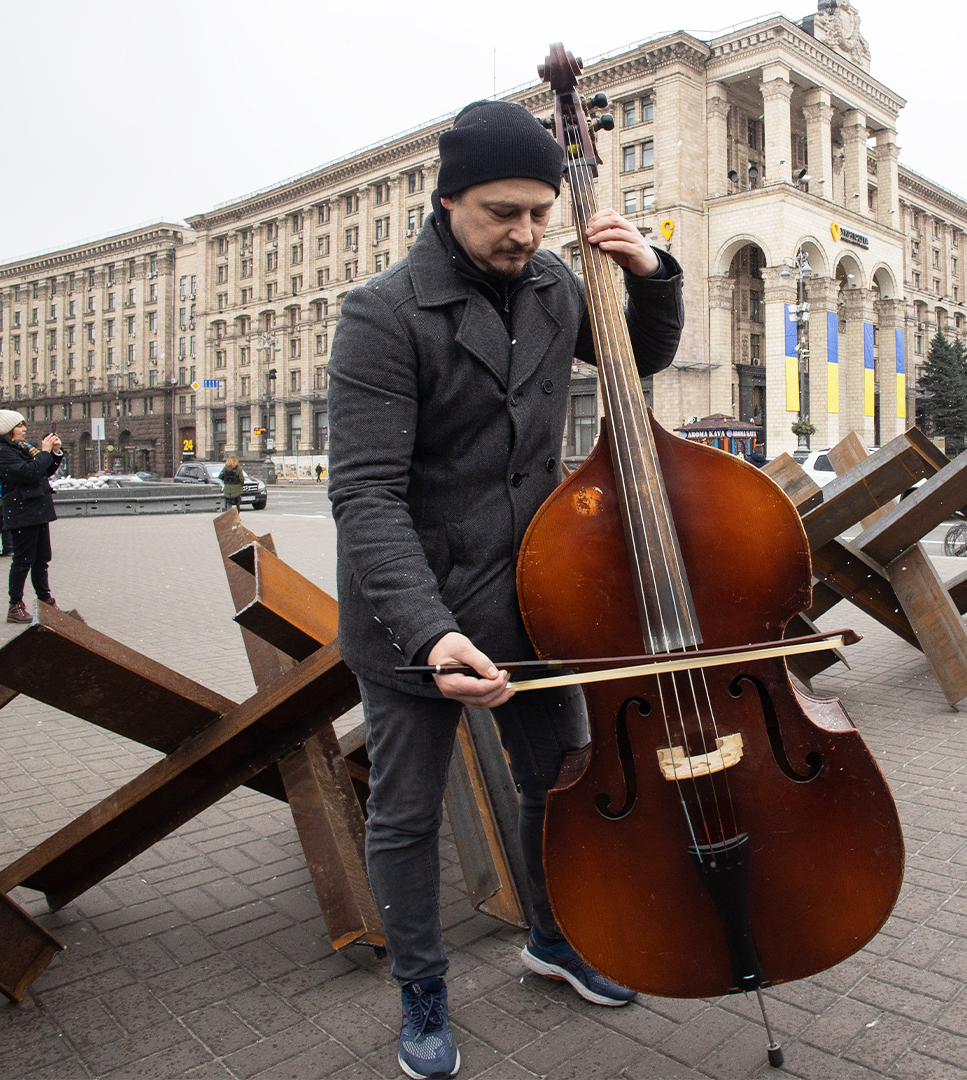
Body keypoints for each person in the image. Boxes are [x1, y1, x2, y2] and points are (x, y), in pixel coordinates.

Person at [329, 99, 683, 1080]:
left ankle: (554, 937)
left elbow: (639, 357)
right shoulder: (384, 314)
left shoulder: (555, 283)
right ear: (447, 203)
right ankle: (423, 989)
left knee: (560, 782)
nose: (525, 232)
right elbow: (362, 495)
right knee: (405, 810)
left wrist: (651, 275)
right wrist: (432, 635)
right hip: (416, 614)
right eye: (501, 214)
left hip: (536, 596)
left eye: (539, 212)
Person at [0, 407, 64, 624]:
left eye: (23, 425)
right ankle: (15, 606)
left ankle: (45, 601)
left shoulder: (22, 448)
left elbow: (43, 471)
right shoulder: (4, 453)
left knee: (41, 560)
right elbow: (29, 473)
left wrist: (54, 453)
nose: (24, 429)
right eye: (20, 426)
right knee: (23, 561)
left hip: (37, 511)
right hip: (22, 512)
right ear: (8, 430)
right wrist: (45, 453)